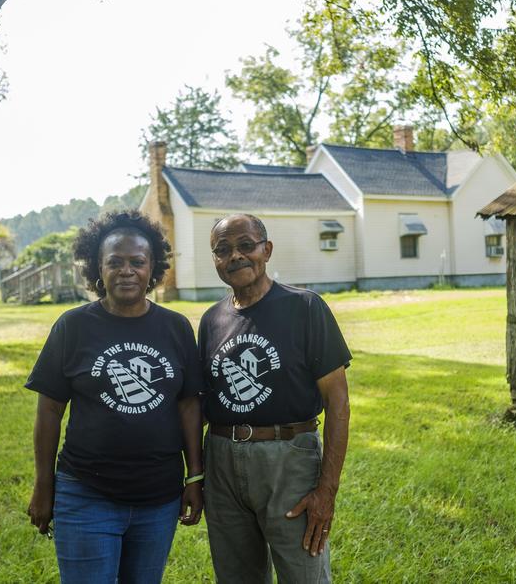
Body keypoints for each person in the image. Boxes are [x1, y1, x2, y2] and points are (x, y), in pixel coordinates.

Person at [25, 211, 203, 584]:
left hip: (159, 498)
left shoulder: (176, 327)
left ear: (152, 268)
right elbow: (50, 410)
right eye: (115, 262)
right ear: (97, 267)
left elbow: (188, 405)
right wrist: (44, 485)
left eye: (137, 262)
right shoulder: (73, 326)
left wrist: (194, 477)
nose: (127, 271)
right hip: (86, 493)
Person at [198, 213, 351, 584]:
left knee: (304, 575)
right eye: (223, 250)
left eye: (245, 246)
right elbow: (200, 403)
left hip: (290, 460)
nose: (235, 256)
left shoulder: (305, 307)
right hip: (221, 462)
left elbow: (338, 405)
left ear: (266, 250)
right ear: (215, 260)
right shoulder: (211, 319)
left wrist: (325, 492)